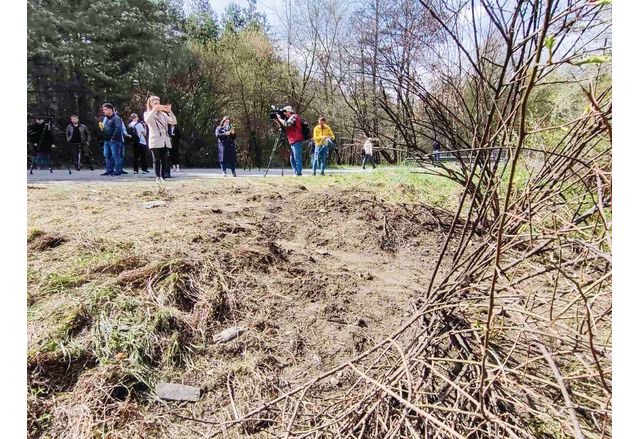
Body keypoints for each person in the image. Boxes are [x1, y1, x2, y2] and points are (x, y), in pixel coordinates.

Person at [144, 95, 177, 182]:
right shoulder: (147, 113)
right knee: (156, 159)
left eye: (158, 103)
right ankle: (157, 176)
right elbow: (147, 120)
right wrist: (154, 110)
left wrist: (170, 111)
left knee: (165, 159)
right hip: (155, 140)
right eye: (155, 103)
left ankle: (163, 176)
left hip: (164, 140)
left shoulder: (163, 114)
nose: (157, 105)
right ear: (150, 104)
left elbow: (174, 121)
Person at [274, 105, 304, 176]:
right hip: (292, 140)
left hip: (297, 140)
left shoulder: (294, 116)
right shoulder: (288, 118)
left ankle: (299, 173)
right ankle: (296, 172)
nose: (284, 113)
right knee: (292, 158)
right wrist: (277, 120)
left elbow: (287, 124)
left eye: (285, 112)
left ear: (289, 111)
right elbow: (283, 127)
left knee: (297, 158)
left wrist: (280, 118)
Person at [100, 103, 125, 176]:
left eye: (105, 109)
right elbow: (105, 129)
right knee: (107, 155)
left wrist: (113, 138)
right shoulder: (106, 119)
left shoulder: (116, 118)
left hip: (115, 141)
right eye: (103, 110)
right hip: (107, 140)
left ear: (110, 109)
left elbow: (118, 129)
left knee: (116, 156)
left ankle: (117, 171)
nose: (104, 111)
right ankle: (109, 170)